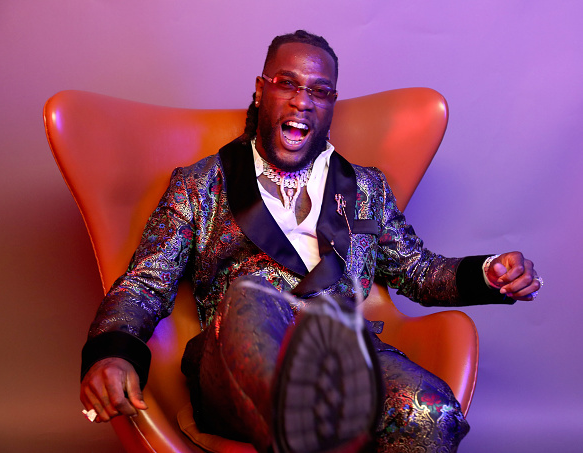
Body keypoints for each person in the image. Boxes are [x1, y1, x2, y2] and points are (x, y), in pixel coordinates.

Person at [79, 30, 541, 452]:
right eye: (287, 83)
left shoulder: (365, 188)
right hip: (233, 360)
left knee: (433, 413)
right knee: (251, 298)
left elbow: (419, 272)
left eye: (319, 91)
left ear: (331, 105)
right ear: (261, 91)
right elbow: (145, 283)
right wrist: (114, 352)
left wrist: (491, 272)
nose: (303, 101)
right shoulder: (200, 185)